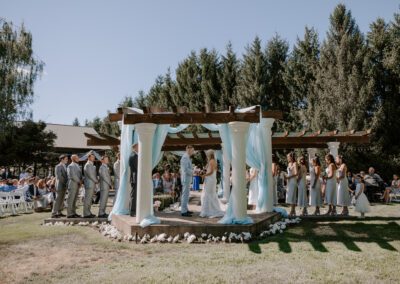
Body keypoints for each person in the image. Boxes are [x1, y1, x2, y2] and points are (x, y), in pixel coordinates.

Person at [200, 150, 224, 218]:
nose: (206, 156)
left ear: (210, 155)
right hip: (212, 179)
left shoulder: (211, 161)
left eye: (207, 154)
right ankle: (210, 209)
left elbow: (211, 172)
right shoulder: (214, 161)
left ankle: (208, 211)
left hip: (210, 179)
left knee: (208, 194)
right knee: (211, 194)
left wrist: (205, 175)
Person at [180, 145, 194, 217]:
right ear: (188, 150)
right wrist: (193, 171)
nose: (193, 152)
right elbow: (185, 169)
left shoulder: (187, 157)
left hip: (187, 178)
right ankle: (183, 211)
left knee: (187, 195)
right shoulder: (185, 157)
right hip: (186, 178)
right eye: (192, 150)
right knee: (185, 195)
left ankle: (186, 209)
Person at [83, 152, 98, 218]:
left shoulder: (92, 165)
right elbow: (91, 175)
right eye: (92, 157)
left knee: (90, 199)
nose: (94, 158)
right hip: (89, 184)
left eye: (94, 157)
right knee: (87, 199)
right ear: (89, 158)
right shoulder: (88, 165)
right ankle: (86, 213)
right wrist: (96, 181)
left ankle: (88, 212)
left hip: (92, 184)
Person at [285, 152, 298, 217]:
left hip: (293, 181)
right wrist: (286, 177)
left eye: (288, 157)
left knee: (292, 195)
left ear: (291, 157)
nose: (287, 158)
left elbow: (296, 173)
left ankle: (293, 210)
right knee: (289, 195)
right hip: (289, 181)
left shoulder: (294, 163)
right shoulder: (289, 163)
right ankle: (292, 210)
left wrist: (289, 177)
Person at [128, 143, 138, 217]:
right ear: (135, 147)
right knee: (133, 195)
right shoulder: (134, 155)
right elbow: (138, 167)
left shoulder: (133, 154)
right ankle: (132, 211)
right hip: (135, 177)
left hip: (134, 177)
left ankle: (133, 210)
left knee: (134, 194)